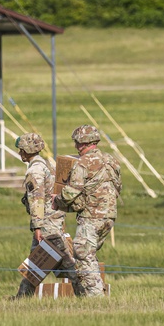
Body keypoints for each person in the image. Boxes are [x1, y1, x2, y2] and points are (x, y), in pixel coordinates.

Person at [53, 125, 121, 297]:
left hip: (91, 215)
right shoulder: (111, 160)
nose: (76, 146)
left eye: (76, 143)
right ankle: (86, 293)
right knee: (88, 255)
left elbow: (71, 192)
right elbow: (118, 187)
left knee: (82, 253)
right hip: (109, 215)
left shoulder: (83, 163)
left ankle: (96, 296)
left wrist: (57, 200)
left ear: (82, 143)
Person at [12, 132, 82, 298]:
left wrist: (37, 227)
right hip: (53, 220)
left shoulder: (35, 170)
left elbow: (37, 199)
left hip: (46, 224)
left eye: (21, 149)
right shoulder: (45, 165)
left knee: (67, 262)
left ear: (26, 151)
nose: (19, 152)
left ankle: (86, 292)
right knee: (36, 262)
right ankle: (22, 296)